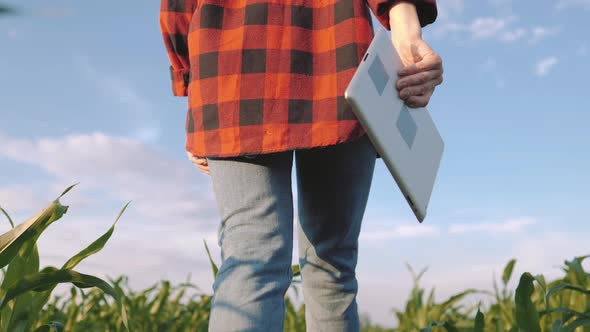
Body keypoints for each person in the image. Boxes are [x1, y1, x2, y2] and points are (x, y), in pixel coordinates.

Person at [160, 0, 442, 330]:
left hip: (232, 71)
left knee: (252, 261)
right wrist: (405, 24)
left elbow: (177, 8)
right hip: (338, 60)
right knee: (332, 268)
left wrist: (190, 84)